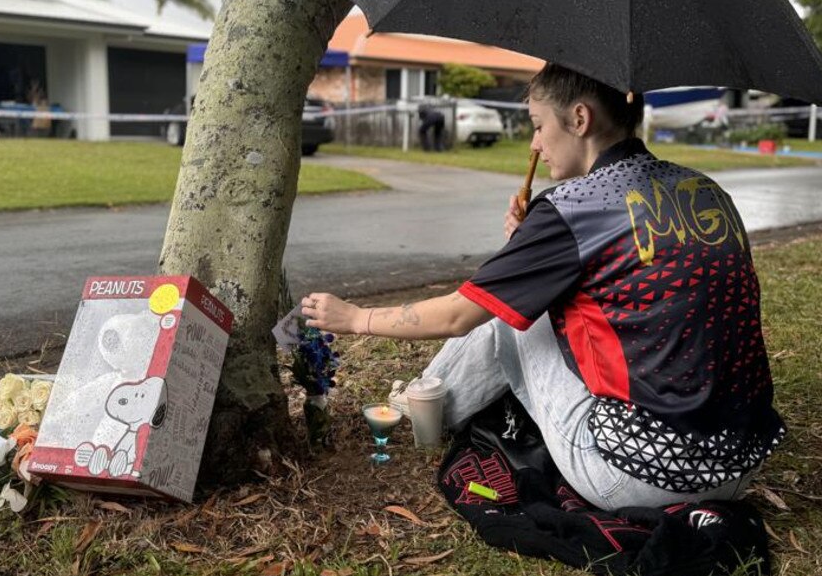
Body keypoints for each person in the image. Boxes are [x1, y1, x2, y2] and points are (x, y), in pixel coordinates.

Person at [302, 63, 785, 511]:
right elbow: (632, 282)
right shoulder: (705, 190)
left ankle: (425, 409)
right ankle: (427, 399)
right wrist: (525, 245)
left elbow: (459, 314)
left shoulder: (574, 207)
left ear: (579, 118)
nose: (535, 144)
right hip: (740, 465)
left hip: (640, 476)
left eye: (537, 124)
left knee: (506, 315)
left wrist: (355, 318)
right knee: (515, 299)